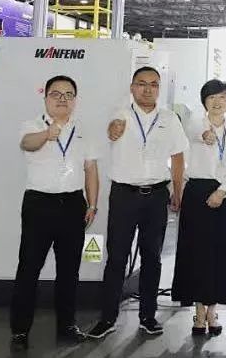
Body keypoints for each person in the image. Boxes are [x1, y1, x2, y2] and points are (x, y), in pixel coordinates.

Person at [87, 66, 188, 339]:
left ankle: (148, 316)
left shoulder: (169, 119)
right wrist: (112, 130)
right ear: (132, 87)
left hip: (156, 196)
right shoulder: (119, 115)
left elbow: (178, 157)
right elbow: (108, 133)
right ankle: (107, 318)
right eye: (142, 83)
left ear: (159, 88)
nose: (148, 89)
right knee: (116, 257)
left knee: (152, 258)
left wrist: (178, 191)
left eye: (154, 84)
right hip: (124, 196)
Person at [9, 76, 99, 351]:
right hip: (39, 204)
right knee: (29, 268)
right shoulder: (33, 125)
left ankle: (67, 326)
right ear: (46, 97)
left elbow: (91, 169)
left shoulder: (83, 129)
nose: (62, 99)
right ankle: (20, 330)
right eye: (56, 94)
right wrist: (47, 135)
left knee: (69, 270)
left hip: (73, 204)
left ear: (75, 100)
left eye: (68, 94)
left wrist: (92, 204)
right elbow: (26, 144)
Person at [170, 80, 226, 336]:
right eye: (211, 97)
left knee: (221, 253)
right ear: (204, 101)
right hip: (197, 194)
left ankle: (213, 311)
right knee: (196, 253)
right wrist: (204, 134)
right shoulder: (194, 124)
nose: (217, 102)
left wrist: (222, 191)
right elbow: (193, 134)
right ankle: (199, 311)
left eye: (222, 97)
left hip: (225, 194)